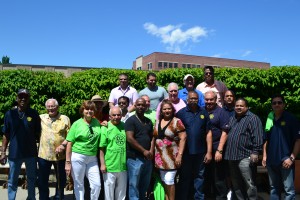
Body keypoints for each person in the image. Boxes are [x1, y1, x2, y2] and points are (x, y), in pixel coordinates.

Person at [0, 89, 41, 200]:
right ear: (17, 98)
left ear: (28, 99)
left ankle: (31, 198)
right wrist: (3, 152)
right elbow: (6, 134)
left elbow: (38, 134)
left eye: (25, 96)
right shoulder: (10, 114)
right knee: (12, 179)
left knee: (32, 179)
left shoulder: (34, 113)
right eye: (21, 96)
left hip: (31, 153)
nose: (23, 98)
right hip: (15, 153)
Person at [224, 98, 263, 200]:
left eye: (241, 106)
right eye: (237, 106)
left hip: (245, 156)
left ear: (246, 107)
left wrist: (255, 152)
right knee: (236, 184)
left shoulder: (253, 118)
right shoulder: (233, 118)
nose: (238, 108)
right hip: (232, 156)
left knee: (249, 184)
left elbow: (258, 136)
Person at [262, 94, 300, 199]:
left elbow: (298, 140)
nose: (277, 105)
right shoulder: (269, 119)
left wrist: (291, 158)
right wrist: (265, 156)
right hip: (271, 161)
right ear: (272, 105)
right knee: (273, 188)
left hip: (286, 161)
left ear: (284, 104)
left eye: (279, 102)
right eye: (274, 103)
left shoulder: (291, 119)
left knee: (289, 191)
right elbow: (265, 139)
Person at [176, 91, 213, 200]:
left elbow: (208, 133)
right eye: (191, 98)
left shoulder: (204, 112)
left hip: (201, 152)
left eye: (195, 98)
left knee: (200, 177)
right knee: (185, 178)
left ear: (198, 99)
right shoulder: (181, 113)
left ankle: (199, 198)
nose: (193, 100)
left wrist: (209, 152)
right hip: (186, 152)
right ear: (187, 99)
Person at [65, 100, 104, 200]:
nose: (89, 111)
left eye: (91, 109)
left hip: (92, 158)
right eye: (87, 109)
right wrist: (68, 162)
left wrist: (105, 124)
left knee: (97, 185)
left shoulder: (96, 122)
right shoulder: (76, 124)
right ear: (82, 110)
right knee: (79, 184)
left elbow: (101, 132)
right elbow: (69, 143)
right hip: (78, 157)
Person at [153, 99, 187, 200]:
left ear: (172, 110)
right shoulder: (158, 121)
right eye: (164, 109)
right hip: (159, 157)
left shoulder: (177, 121)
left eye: (169, 109)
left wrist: (180, 155)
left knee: (169, 180)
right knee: (164, 180)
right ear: (161, 111)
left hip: (172, 158)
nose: (167, 111)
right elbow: (154, 137)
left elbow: (183, 138)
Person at [38, 98, 71, 200]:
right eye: (48, 107)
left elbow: (70, 136)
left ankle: (59, 197)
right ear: (46, 108)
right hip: (44, 154)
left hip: (60, 156)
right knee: (42, 180)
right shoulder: (41, 118)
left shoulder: (65, 119)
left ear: (57, 107)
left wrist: (63, 146)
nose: (50, 109)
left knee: (61, 180)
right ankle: (44, 198)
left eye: (53, 106)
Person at [125, 98, 155, 200]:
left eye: (143, 105)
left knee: (144, 186)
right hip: (134, 158)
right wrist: (143, 151)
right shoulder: (130, 120)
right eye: (138, 105)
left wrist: (151, 150)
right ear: (135, 106)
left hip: (147, 159)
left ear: (146, 107)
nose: (141, 107)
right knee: (133, 186)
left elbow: (152, 137)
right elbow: (129, 138)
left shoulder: (149, 121)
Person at [204, 91, 230, 199]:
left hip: (216, 150)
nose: (209, 101)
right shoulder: (202, 111)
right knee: (206, 179)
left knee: (218, 179)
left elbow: (225, 132)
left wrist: (219, 150)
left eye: (211, 99)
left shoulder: (221, 112)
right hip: (204, 150)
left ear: (216, 100)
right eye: (207, 99)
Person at [100, 106, 127, 200]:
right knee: (109, 194)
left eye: (118, 115)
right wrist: (103, 164)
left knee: (121, 194)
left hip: (123, 166)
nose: (116, 117)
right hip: (110, 166)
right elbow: (101, 148)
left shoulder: (125, 126)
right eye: (114, 115)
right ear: (110, 116)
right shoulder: (105, 128)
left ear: (121, 115)